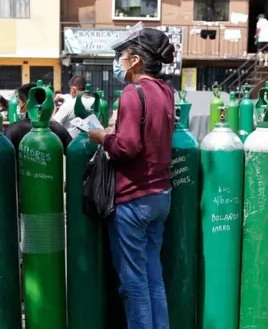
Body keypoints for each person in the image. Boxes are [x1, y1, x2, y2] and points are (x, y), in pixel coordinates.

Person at [88, 26, 175, 329]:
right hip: (160, 197)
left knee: (133, 283)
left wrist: (102, 136)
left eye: (121, 56)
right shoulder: (166, 91)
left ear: (135, 60)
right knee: (154, 278)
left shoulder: (131, 93)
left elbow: (127, 146)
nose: (119, 62)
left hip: (133, 202)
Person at [5, 82, 73, 156]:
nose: (18, 106)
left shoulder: (13, 130)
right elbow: (73, 154)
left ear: (28, 104)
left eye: (18, 103)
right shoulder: (58, 128)